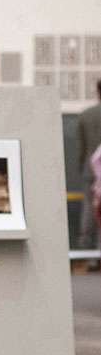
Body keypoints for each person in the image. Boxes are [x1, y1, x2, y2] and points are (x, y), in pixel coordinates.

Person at [78, 80, 101, 249]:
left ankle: (86, 252)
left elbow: (81, 147)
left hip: (90, 170)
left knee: (88, 211)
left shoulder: (86, 115)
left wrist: (82, 167)